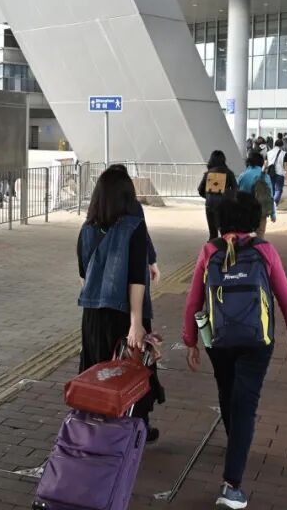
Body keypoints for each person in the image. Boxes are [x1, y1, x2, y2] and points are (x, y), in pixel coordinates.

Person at [183, 193, 287, 510]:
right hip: (257, 340)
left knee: (227, 392)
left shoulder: (210, 250)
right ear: (254, 219)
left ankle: (235, 441)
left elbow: (194, 300)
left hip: (218, 338)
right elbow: (286, 298)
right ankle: (232, 485)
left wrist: (190, 341)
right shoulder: (265, 251)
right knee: (245, 405)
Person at [76, 167, 159, 440]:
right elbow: (136, 279)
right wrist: (136, 323)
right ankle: (131, 433)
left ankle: (97, 432)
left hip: (93, 317)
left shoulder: (86, 229)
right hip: (123, 314)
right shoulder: (134, 227)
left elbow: (84, 276)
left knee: (97, 374)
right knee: (132, 372)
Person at [198, 150, 238, 241]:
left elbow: (200, 189)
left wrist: (208, 196)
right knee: (225, 232)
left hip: (210, 205)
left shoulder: (208, 174)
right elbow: (235, 189)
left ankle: (212, 249)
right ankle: (226, 248)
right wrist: (229, 197)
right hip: (225, 205)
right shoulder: (229, 173)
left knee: (213, 233)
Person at [237, 152, 276, 237]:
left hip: (245, 210)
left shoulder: (243, 176)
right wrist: (273, 213)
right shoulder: (266, 176)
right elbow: (270, 196)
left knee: (246, 235)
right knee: (260, 235)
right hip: (261, 210)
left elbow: (237, 193)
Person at [265, 139, 287, 205]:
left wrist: (263, 172)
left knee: (272, 189)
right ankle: (274, 202)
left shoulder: (268, 153)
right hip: (280, 173)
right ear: (282, 145)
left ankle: (271, 203)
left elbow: (265, 164)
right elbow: (286, 165)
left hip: (270, 173)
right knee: (279, 189)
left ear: (274, 145)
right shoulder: (284, 153)